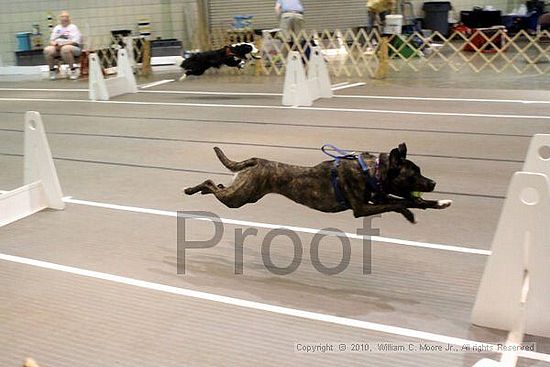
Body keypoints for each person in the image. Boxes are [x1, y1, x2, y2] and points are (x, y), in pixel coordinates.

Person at [43, 11, 82, 80]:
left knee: (65, 49)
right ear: (60, 19)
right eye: (62, 17)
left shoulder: (73, 27)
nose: (64, 19)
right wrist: (55, 44)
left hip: (73, 47)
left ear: (69, 18)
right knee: (47, 50)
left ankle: (72, 70)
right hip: (57, 47)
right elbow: (52, 40)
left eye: (66, 17)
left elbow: (75, 41)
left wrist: (62, 45)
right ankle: (52, 70)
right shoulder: (57, 28)